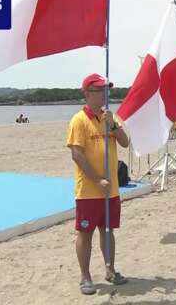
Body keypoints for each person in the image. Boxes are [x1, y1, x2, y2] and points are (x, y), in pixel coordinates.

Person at [66, 73, 130, 295]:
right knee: (85, 233)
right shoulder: (79, 120)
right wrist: (97, 179)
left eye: (105, 90)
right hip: (89, 190)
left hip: (110, 189)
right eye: (99, 90)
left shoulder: (109, 117)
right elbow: (77, 154)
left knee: (108, 229)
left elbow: (125, 142)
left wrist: (113, 125)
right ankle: (85, 276)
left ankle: (110, 269)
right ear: (87, 94)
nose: (104, 94)